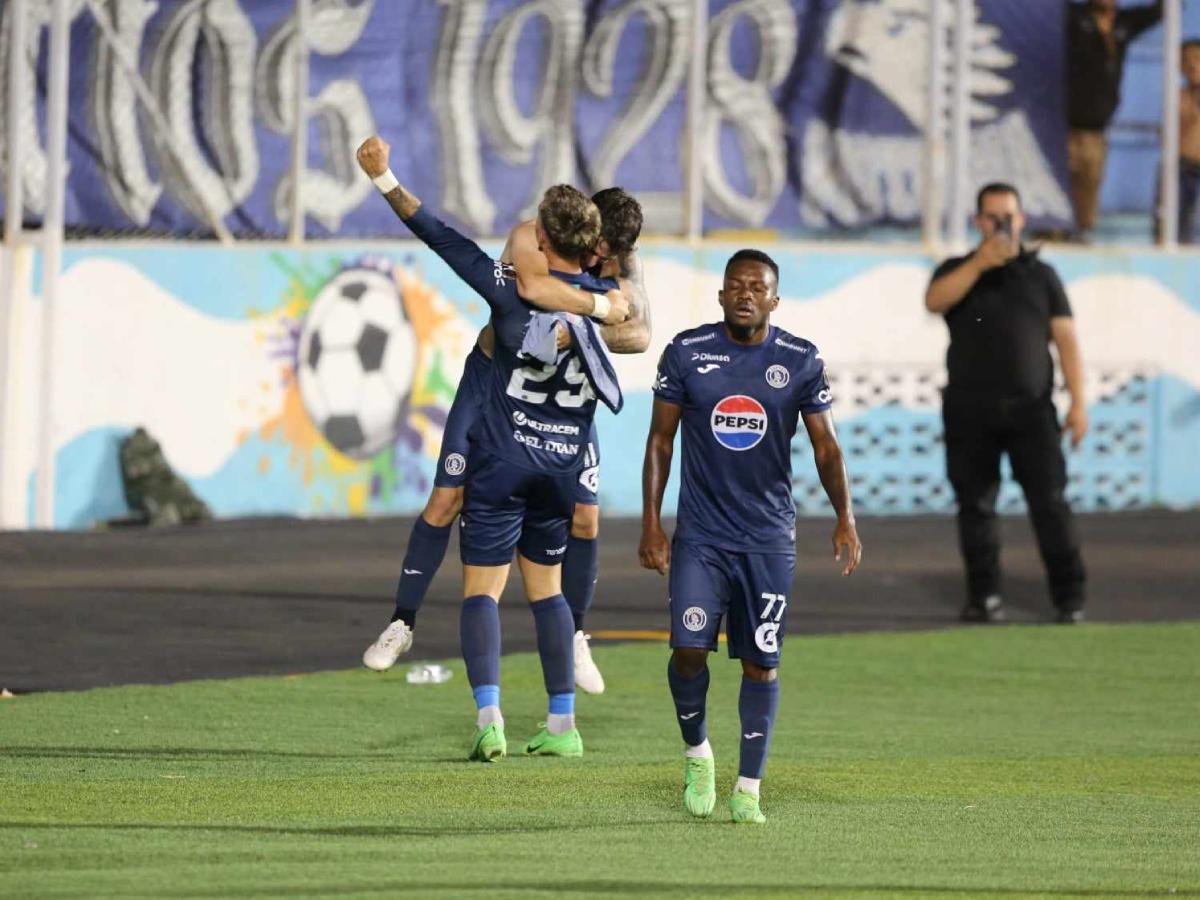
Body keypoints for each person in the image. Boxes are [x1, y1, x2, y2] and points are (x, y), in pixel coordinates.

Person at [358, 136, 631, 761]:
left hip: (506, 459)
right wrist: (605, 300)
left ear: (542, 240)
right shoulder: (607, 301)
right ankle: (562, 725)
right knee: (549, 593)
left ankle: (490, 720)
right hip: (562, 465)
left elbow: (441, 236)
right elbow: (629, 322)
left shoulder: (508, 290)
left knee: (482, 592)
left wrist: (382, 177)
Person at [639, 249, 862, 824]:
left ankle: (748, 788)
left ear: (774, 299)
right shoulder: (687, 354)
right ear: (720, 295)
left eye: (757, 287)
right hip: (702, 538)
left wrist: (845, 517)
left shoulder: (800, 360)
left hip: (766, 540)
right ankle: (697, 756)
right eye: (735, 285)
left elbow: (826, 447)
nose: (745, 294)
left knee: (762, 663)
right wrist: (651, 524)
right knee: (689, 651)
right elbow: (660, 441)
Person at [925, 183, 1089, 625]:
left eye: (1009, 216)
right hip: (969, 411)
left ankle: (1069, 598)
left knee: (1050, 502)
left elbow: (1067, 340)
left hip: (1032, 410)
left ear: (1021, 219)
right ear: (979, 221)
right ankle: (984, 597)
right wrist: (980, 262)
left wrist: (1078, 403)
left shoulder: (1042, 276)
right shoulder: (958, 269)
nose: (1002, 223)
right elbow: (935, 300)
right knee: (975, 505)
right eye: (992, 216)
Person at [1066, 0, 1163, 240]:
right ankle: (1054, 229)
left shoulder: (1124, 23)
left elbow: (1160, 11)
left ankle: (1083, 231)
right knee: (1061, 180)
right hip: (1064, 123)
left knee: (1090, 182)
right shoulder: (1074, 18)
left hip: (1098, 127)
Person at [1174, 39, 1200, 243]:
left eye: (1198, 59)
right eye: (1187, 61)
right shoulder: (1178, 98)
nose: (1193, 65)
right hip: (1185, 169)